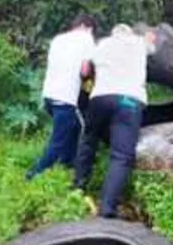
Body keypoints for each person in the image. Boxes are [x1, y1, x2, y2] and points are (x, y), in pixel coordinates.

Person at [74, 24, 156, 218]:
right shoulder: (139, 43)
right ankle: (107, 208)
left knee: (88, 141)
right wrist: (150, 37)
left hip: (99, 98)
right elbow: (152, 42)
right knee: (121, 156)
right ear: (130, 34)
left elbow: (85, 69)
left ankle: (78, 187)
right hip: (128, 100)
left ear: (113, 34)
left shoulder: (102, 44)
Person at [26, 14, 97, 180]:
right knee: (58, 142)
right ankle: (34, 174)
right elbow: (85, 71)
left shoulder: (58, 39)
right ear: (88, 27)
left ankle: (68, 163)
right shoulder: (86, 39)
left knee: (75, 127)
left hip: (49, 96)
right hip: (65, 98)